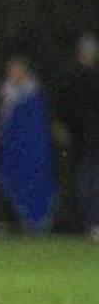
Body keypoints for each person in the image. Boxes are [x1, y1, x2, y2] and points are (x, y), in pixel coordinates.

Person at [0, 57, 56, 232]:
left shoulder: (35, 93)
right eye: (12, 70)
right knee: (9, 180)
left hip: (32, 148)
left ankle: (36, 222)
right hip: (11, 148)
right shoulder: (5, 92)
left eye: (18, 69)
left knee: (34, 182)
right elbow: (3, 121)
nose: (14, 73)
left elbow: (37, 122)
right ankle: (11, 222)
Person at [53, 33, 99, 240]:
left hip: (94, 135)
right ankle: (89, 223)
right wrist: (62, 127)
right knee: (83, 181)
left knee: (93, 180)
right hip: (79, 137)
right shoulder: (70, 76)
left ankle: (94, 222)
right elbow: (63, 106)